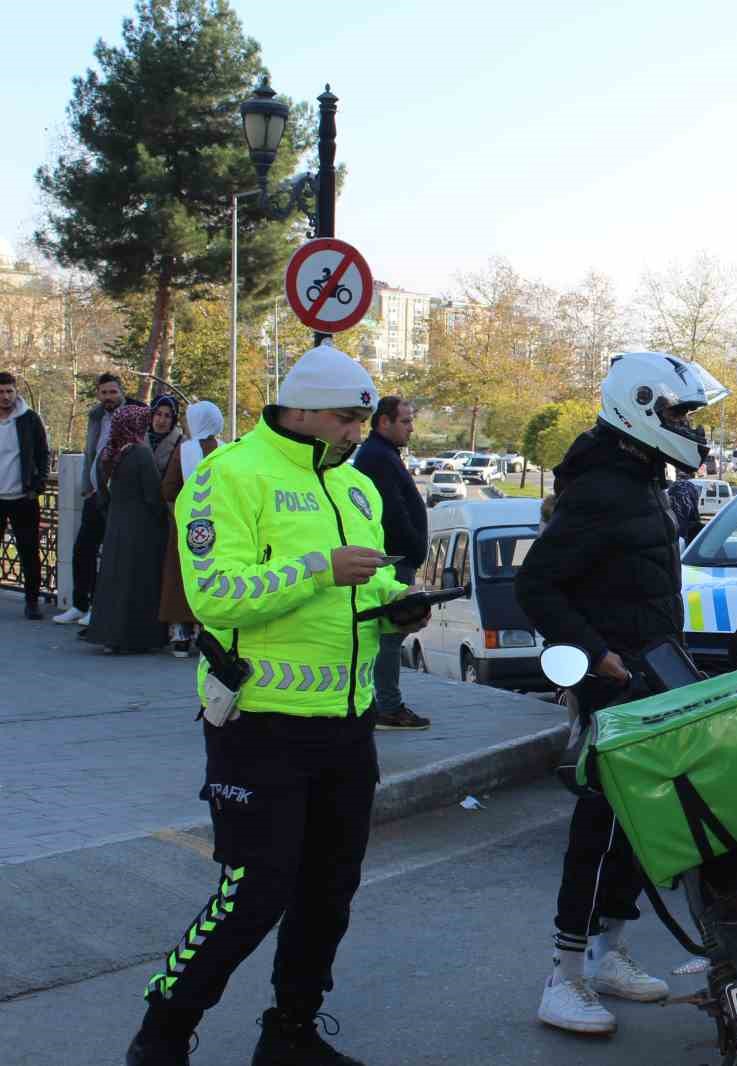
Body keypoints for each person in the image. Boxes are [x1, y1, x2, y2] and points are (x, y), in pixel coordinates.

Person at [124, 343, 428, 1066]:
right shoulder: (230, 475)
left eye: (362, 420)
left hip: (346, 726)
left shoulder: (356, 487)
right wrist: (318, 569)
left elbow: (365, 589)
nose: (360, 432)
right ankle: (162, 1032)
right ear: (305, 408)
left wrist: (398, 606)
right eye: (348, 419)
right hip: (260, 723)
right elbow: (214, 596)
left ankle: (290, 1032)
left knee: (331, 889)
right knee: (255, 891)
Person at [514, 350, 728, 1036]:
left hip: (651, 677)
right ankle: (564, 976)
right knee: (601, 830)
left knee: (643, 827)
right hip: (618, 684)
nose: (688, 428)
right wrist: (598, 656)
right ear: (640, 408)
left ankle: (610, 953)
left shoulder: (641, 480)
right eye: (676, 413)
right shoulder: (602, 489)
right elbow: (537, 584)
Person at [354, 396, 431, 731]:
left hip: (398, 559)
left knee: (391, 636)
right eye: (405, 421)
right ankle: (387, 706)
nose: (411, 427)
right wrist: (412, 547)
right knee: (389, 635)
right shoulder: (376, 457)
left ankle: (383, 703)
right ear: (383, 422)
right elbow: (392, 513)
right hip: (392, 562)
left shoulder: (384, 454)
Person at [83, 405, 168, 654]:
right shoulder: (140, 453)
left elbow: (100, 488)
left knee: (113, 580)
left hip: (115, 523)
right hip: (140, 527)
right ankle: (136, 637)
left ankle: (109, 633)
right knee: (137, 582)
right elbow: (153, 495)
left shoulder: (109, 452)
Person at [56, 372, 134, 625]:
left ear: (121, 391)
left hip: (119, 495)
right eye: (104, 392)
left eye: (113, 392)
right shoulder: (96, 416)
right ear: (98, 394)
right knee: (83, 550)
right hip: (95, 493)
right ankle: (80, 604)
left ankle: (99, 610)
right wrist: (86, 485)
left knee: (111, 554)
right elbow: (91, 451)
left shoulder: (133, 414)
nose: (109, 397)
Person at [159, 401, 224, 657]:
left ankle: (181, 634)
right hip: (221, 523)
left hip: (187, 523)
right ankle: (208, 629)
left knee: (181, 575)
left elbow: (168, 488)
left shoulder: (184, 451)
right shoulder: (226, 450)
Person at [0, 371, 51, 619]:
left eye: (9, 391)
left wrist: (38, 484)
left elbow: (43, 452)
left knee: (29, 551)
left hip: (23, 497)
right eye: (0, 392)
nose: (5, 396)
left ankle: (32, 602)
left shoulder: (29, 419)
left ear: (15, 392)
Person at [149, 395, 185, 479]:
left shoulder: (182, 444)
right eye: (158, 414)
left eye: (167, 416)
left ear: (173, 420)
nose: (162, 420)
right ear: (152, 415)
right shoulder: (138, 438)